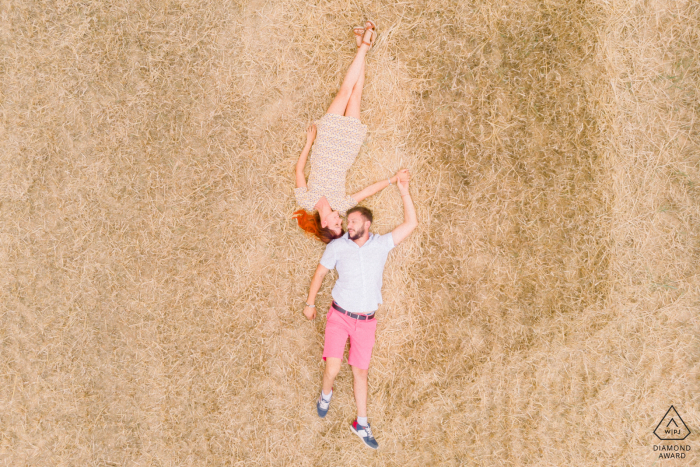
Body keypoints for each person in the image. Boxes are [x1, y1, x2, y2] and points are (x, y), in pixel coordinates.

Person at [302, 175, 418, 449]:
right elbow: (320, 274)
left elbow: (411, 224)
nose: (346, 224)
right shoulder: (336, 247)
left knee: (360, 373)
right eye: (347, 221)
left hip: (366, 322)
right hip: (339, 316)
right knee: (333, 366)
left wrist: (404, 192)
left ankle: (361, 423)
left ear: (366, 225)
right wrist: (310, 304)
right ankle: (325, 394)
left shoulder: (381, 244)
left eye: (352, 221)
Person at [293, 21, 410, 243]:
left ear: (325, 224)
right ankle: (363, 45)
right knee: (356, 94)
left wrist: (310, 141)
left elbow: (299, 170)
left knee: (345, 91)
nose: (341, 220)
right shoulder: (341, 204)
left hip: (326, 138)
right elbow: (368, 191)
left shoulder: (306, 202)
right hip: (347, 145)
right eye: (342, 224)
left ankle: (364, 45)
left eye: (337, 223)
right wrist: (393, 179)